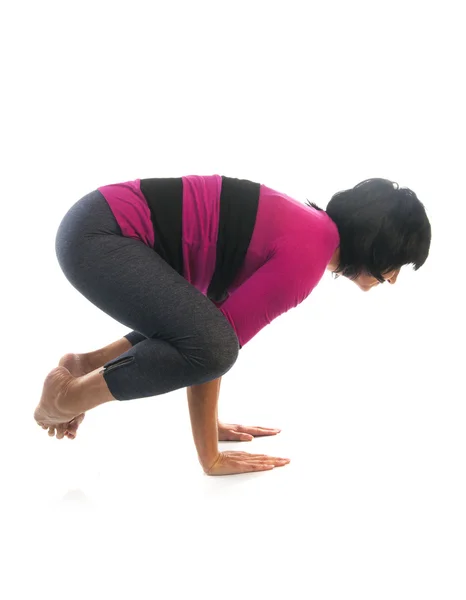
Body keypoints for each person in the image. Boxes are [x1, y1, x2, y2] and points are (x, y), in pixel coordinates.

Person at [34, 175, 431, 476]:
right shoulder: (306, 256)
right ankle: (66, 400)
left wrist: (212, 427)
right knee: (214, 345)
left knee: (207, 336)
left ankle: (85, 366)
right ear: (376, 244)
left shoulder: (309, 230)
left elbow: (204, 329)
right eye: (396, 263)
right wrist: (211, 457)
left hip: (93, 225)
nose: (393, 278)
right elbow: (213, 352)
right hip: (101, 236)